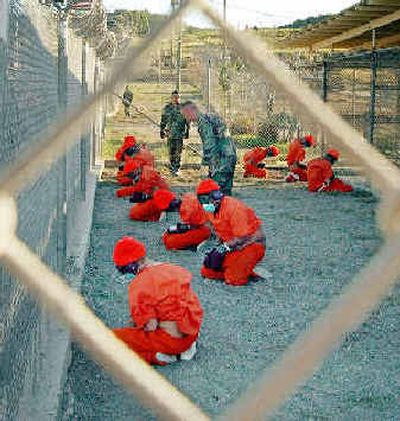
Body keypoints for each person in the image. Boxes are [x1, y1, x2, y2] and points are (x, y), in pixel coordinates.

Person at [112, 236, 203, 365]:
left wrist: (136, 322)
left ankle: (160, 357)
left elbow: (151, 326)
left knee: (113, 339)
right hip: (191, 333)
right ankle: (185, 347)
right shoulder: (173, 269)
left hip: (171, 341)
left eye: (123, 269)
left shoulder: (139, 285)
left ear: (132, 265)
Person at [196, 179, 266, 286]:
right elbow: (219, 230)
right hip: (232, 246)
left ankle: (246, 271)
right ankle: (241, 269)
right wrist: (217, 249)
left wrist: (222, 249)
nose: (204, 203)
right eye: (201, 199)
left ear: (217, 196)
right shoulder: (211, 209)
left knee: (234, 279)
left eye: (206, 199)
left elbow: (242, 238)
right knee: (207, 272)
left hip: (251, 244)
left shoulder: (235, 208)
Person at [180, 101, 237, 196]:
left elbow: (209, 144)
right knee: (226, 191)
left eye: (184, 114)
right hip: (229, 155)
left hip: (221, 159)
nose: (185, 118)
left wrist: (204, 165)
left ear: (190, 111)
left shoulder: (204, 122)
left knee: (216, 191)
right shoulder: (210, 117)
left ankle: (218, 209)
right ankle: (227, 208)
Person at [160, 90, 190, 176]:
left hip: (179, 133)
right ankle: (172, 167)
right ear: (171, 98)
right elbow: (163, 120)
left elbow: (187, 121)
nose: (175, 99)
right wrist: (162, 130)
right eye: (174, 97)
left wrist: (187, 131)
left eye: (177, 97)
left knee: (178, 151)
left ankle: (176, 168)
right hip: (170, 133)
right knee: (171, 151)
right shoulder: (167, 108)